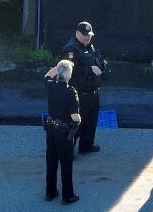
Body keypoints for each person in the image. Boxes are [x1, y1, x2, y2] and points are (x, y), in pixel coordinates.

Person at [61, 21, 107, 154]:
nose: (87, 37)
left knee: (90, 121)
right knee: (75, 123)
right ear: (77, 33)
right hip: (78, 93)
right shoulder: (71, 49)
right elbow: (67, 70)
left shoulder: (90, 47)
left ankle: (86, 145)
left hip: (92, 91)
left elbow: (97, 61)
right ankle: (68, 150)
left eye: (89, 35)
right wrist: (89, 69)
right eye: (84, 35)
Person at [44, 60, 81, 205]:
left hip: (50, 130)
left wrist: (58, 68)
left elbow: (47, 76)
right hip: (64, 132)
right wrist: (79, 120)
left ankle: (50, 192)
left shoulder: (50, 86)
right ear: (70, 75)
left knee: (51, 161)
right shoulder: (71, 92)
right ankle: (68, 195)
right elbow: (74, 116)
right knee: (66, 163)